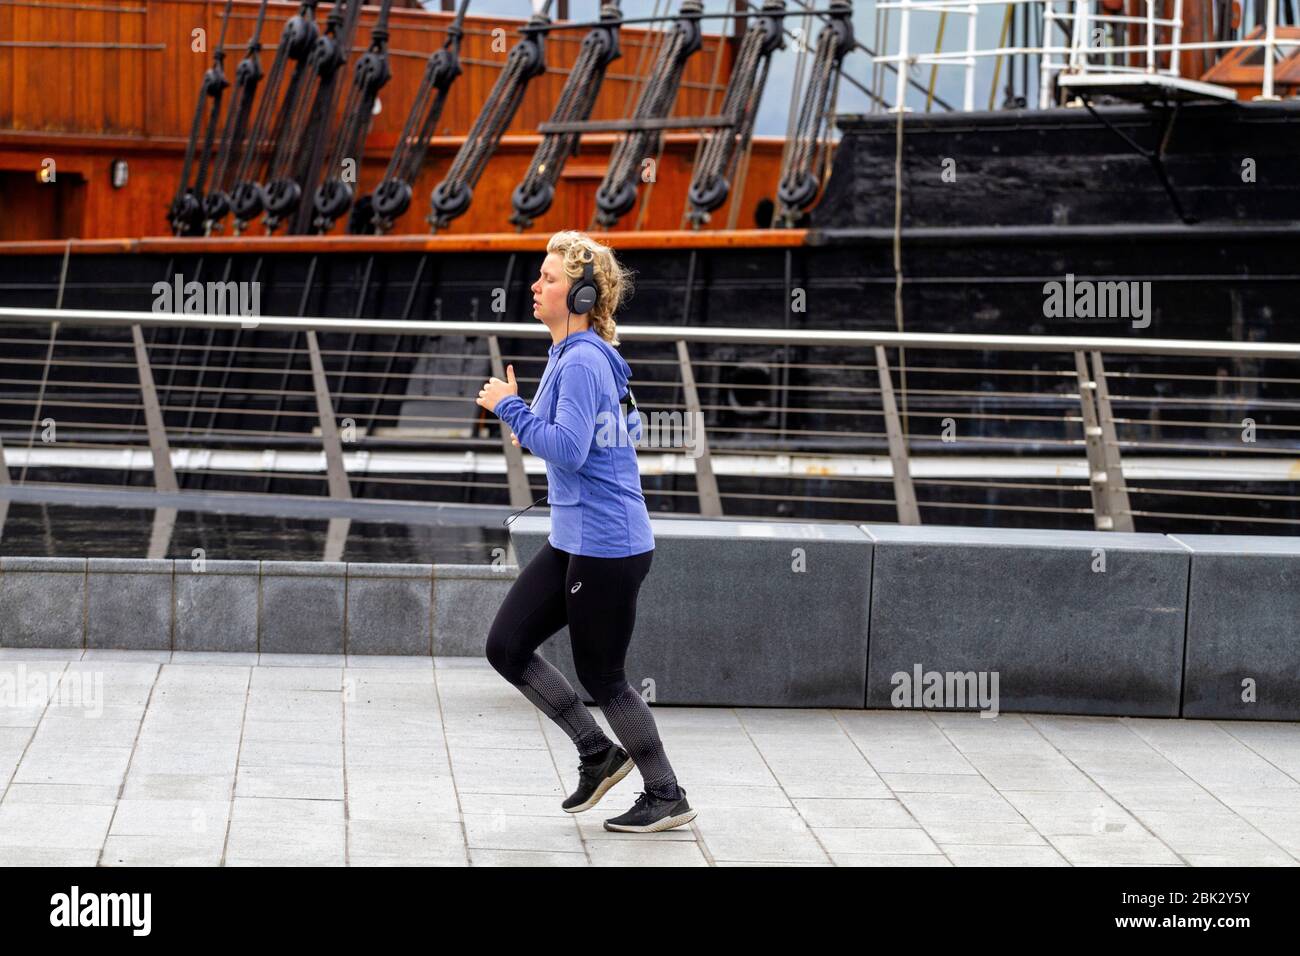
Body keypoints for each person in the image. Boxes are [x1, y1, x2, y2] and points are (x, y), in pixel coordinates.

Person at [474, 230, 696, 834]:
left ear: (579, 295)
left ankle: (665, 792)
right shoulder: (576, 356)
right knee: (507, 646)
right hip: (576, 538)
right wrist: (529, 416)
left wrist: (508, 408)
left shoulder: (583, 361)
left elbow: (570, 452)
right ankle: (597, 754)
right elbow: (622, 431)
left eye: (547, 277)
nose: (535, 285)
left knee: (604, 675)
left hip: (607, 545)